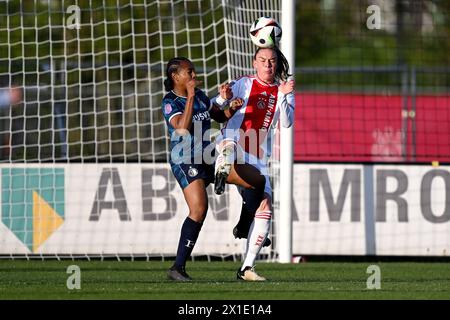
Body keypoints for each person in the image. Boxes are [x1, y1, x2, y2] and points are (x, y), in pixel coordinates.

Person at [213, 46, 295, 281]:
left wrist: (286, 95)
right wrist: (224, 98)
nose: (268, 64)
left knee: (266, 207)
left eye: (271, 60)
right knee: (230, 144)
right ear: (254, 63)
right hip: (232, 142)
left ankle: (246, 268)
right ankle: (223, 165)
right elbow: (214, 105)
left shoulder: (282, 90)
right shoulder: (243, 83)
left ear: (277, 64)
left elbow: (287, 123)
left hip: (257, 157)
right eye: (263, 60)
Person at [161, 57, 242, 281]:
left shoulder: (201, 96)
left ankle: (246, 224)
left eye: (194, 72)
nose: (194, 76)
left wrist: (231, 108)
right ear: (175, 76)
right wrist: (190, 97)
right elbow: (181, 129)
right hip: (185, 158)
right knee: (199, 209)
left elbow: (216, 115)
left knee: (249, 177)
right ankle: (178, 268)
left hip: (207, 155)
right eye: (189, 72)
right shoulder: (170, 101)